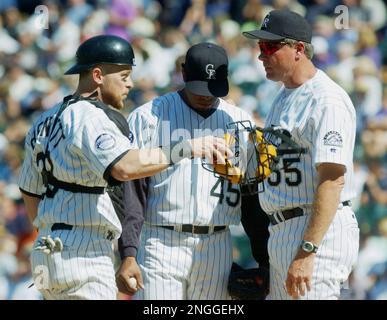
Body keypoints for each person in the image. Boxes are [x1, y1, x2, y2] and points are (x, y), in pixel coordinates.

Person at [17, 35, 232, 300]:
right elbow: (125, 167)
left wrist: (50, 230)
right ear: (97, 75)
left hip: (46, 251)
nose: (130, 83)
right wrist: (187, 147)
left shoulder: (44, 120)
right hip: (84, 250)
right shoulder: (90, 116)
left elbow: (29, 191)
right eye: (123, 75)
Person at [118, 42, 270, 300]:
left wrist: (263, 259)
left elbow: (251, 198)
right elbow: (132, 192)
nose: (205, 95)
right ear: (184, 73)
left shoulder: (240, 121)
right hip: (160, 240)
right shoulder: (148, 117)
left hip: (216, 242)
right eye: (199, 86)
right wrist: (128, 252)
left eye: (213, 88)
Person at [242, 9, 359, 300]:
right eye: (260, 48)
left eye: (270, 47)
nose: (262, 56)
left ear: (298, 49)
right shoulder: (282, 96)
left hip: (317, 232)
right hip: (282, 230)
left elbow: (332, 181)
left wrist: (308, 250)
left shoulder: (326, 99)